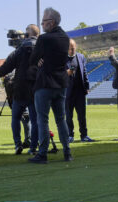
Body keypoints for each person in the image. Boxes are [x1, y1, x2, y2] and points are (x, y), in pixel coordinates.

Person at [0, 25, 39, 155]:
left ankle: (17, 145)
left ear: (26, 35)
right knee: (35, 119)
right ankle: (33, 147)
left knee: (15, 118)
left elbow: (5, 69)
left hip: (19, 89)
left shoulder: (19, 50)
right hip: (35, 89)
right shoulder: (41, 49)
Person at [29, 7, 72, 163]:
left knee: (43, 120)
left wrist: (40, 59)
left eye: (44, 21)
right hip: (61, 83)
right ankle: (67, 152)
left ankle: (42, 154)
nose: (42, 24)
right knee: (61, 119)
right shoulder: (66, 38)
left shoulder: (44, 39)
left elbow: (33, 59)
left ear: (51, 22)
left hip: (45, 83)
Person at [65, 39, 94, 142]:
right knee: (68, 116)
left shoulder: (81, 57)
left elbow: (84, 72)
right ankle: (70, 135)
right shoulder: (62, 58)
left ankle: (84, 135)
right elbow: (59, 74)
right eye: (70, 48)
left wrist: (86, 87)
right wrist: (66, 73)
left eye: (73, 48)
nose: (72, 50)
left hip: (80, 91)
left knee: (82, 115)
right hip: (67, 92)